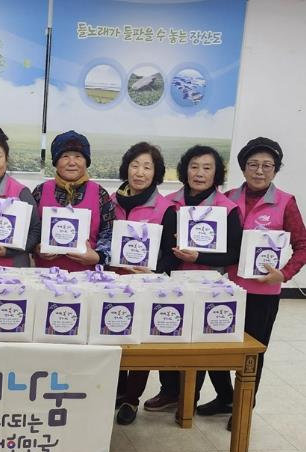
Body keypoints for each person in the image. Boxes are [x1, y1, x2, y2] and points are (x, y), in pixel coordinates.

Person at [203, 137, 306, 430]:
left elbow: (302, 244)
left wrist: (284, 274)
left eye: (267, 165)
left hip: (263, 293)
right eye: (253, 164)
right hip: (226, 289)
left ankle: (244, 406)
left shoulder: (285, 202)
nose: (259, 171)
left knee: (252, 354)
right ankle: (226, 397)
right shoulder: (227, 198)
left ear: (275, 169)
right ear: (243, 167)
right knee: (215, 346)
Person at [143, 145, 243, 416]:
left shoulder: (227, 209)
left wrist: (199, 255)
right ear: (185, 170)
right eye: (194, 166)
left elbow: (234, 252)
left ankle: (189, 398)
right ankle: (168, 391)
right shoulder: (170, 203)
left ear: (216, 173)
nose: (200, 173)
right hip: (170, 282)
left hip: (207, 286)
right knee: (165, 332)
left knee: (197, 343)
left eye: (207, 168)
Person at [110, 142, 178, 425]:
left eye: (147, 167)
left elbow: (171, 256)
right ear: (126, 168)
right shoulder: (111, 202)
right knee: (112, 334)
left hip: (146, 285)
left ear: (156, 173)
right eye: (135, 165)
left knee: (139, 340)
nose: (139, 172)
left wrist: (154, 269)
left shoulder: (166, 209)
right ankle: (115, 390)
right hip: (111, 283)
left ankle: (131, 399)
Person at [32, 130, 114, 271]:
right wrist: (37, 248)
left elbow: (109, 233)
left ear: (86, 162)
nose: (71, 163)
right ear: (56, 161)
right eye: (65, 156)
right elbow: (30, 231)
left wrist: (97, 257)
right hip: (45, 276)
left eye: (78, 156)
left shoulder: (100, 194)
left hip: (88, 277)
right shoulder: (40, 191)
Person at [0, 124, 41, 266]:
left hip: (13, 269)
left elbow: (35, 231)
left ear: (6, 159)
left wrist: (8, 251)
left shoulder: (20, 192)